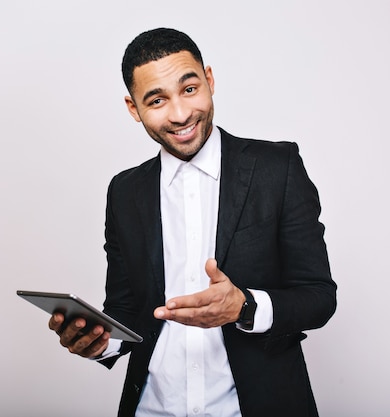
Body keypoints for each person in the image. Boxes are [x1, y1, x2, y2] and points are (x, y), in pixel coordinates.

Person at [49, 27, 337, 417]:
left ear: (210, 80)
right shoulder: (124, 191)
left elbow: (319, 296)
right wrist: (101, 342)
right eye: (156, 100)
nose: (181, 114)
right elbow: (125, 307)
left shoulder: (277, 168)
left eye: (189, 89)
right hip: (153, 407)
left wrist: (244, 307)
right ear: (134, 109)